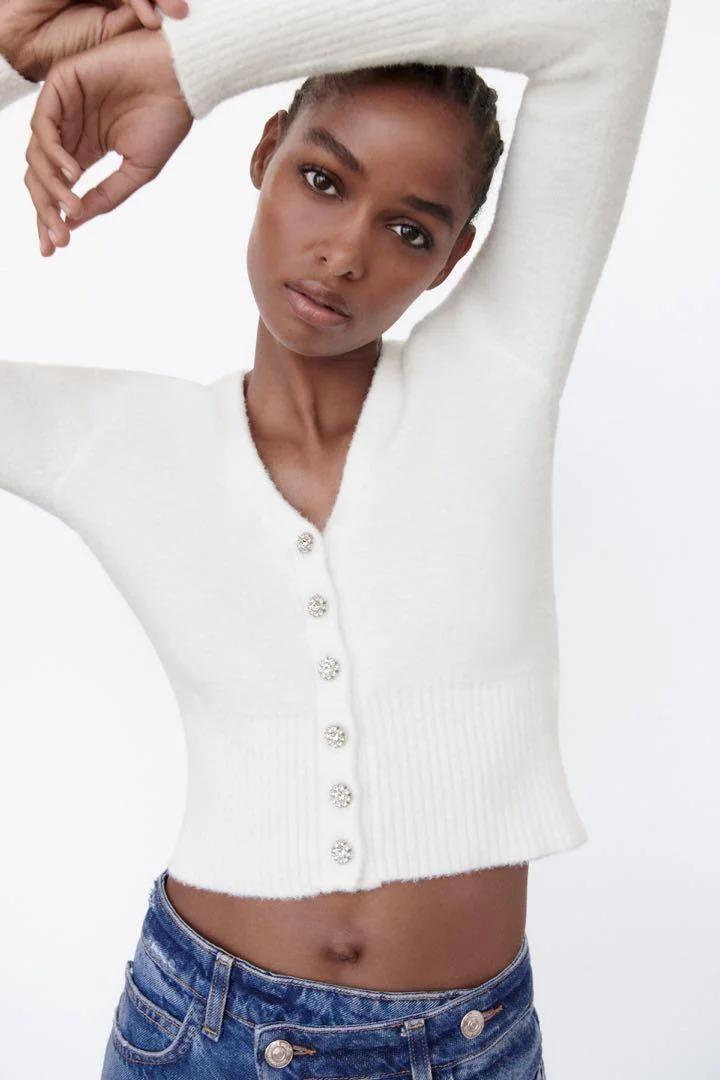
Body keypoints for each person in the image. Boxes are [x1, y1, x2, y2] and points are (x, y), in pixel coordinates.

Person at [0, 0, 672, 1076]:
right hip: (198, 1035)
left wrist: (193, 63)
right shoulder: (115, 441)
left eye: (411, 230)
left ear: (451, 258)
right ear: (265, 153)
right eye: (322, 178)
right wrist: (13, 54)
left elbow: (612, 22)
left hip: (475, 1047)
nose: (347, 252)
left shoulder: (497, 380)